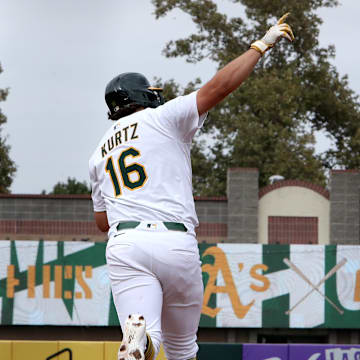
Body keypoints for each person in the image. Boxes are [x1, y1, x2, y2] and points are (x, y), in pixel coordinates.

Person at [89, 13, 294, 360]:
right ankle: (148, 343)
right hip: (174, 240)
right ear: (144, 96)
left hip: (125, 242)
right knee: (183, 348)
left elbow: (102, 222)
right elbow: (219, 87)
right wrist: (261, 45)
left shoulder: (98, 153)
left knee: (145, 332)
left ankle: (144, 342)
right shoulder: (162, 117)